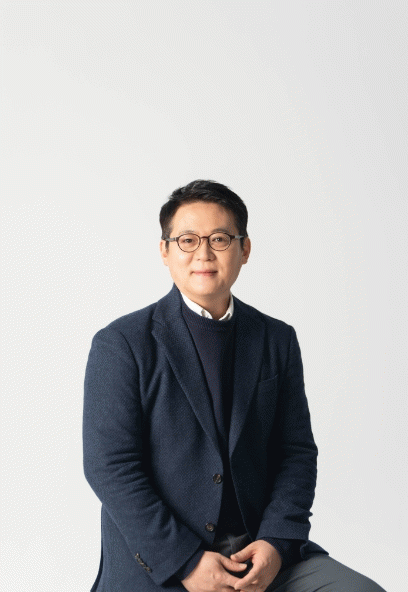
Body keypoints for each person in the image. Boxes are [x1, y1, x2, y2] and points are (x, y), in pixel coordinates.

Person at [83, 180, 386, 591]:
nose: (204, 253)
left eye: (220, 239)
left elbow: (295, 452)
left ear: (244, 249)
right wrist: (186, 562)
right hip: (165, 564)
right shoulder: (122, 343)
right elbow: (110, 466)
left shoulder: (276, 339)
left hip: (260, 555)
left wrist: (276, 543)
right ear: (165, 251)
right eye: (187, 240)